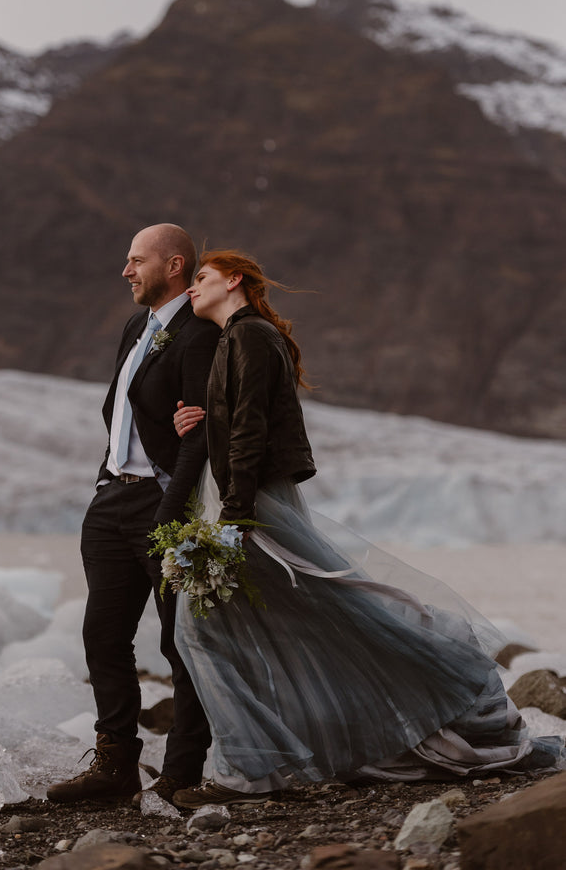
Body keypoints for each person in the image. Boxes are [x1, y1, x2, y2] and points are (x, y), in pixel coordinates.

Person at [167, 249, 565, 809]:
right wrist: (203, 422)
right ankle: (274, 759)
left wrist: (234, 520)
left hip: (251, 507)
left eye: (202, 278)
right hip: (249, 502)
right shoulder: (240, 339)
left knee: (228, 623)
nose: (191, 288)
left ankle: (252, 769)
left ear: (233, 281)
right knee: (299, 617)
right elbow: (242, 418)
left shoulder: (250, 335)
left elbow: (253, 428)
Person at [47, 224, 220, 806]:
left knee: (181, 641)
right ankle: (116, 764)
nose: (126, 270)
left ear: (173, 265)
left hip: (162, 502)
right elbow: (120, 410)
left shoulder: (197, 334)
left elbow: (201, 433)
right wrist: (106, 478)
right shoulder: (135, 327)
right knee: (103, 634)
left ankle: (182, 773)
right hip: (112, 501)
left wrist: (171, 515)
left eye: (135, 260)